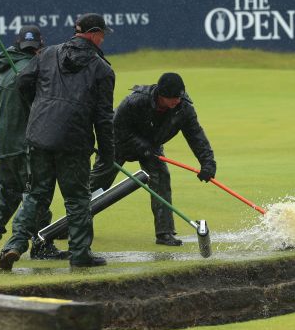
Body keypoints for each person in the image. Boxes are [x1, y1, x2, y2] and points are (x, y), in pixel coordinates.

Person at [0, 13, 115, 270]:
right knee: (77, 198)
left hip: (39, 135)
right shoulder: (102, 69)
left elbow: (23, 82)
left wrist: (39, 107)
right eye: (103, 34)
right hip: (73, 141)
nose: (103, 39)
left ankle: (14, 245)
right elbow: (104, 117)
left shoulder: (48, 54)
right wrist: (107, 153)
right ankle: (80, 253)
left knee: (36, 195)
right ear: (94, 34)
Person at [90, 72, 216, 246]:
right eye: (172, 98)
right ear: (161, 95)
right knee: (99, 182)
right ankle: (72, 224)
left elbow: (196, 136)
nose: (177, 101)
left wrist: (208, 163)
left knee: (161, 179)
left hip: (152, 145)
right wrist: (143, 147)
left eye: (179, 97)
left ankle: (164, 234)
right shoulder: (134, 101)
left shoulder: (183, 108)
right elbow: (117, 128)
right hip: (117, 143)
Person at [0, 25, 65, 260]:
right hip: (25, 142)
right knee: (37, 193)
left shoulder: (5, 67)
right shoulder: (32, 70)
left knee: (8, 192)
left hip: (2, 143)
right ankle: (41, 243)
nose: (35, 52)